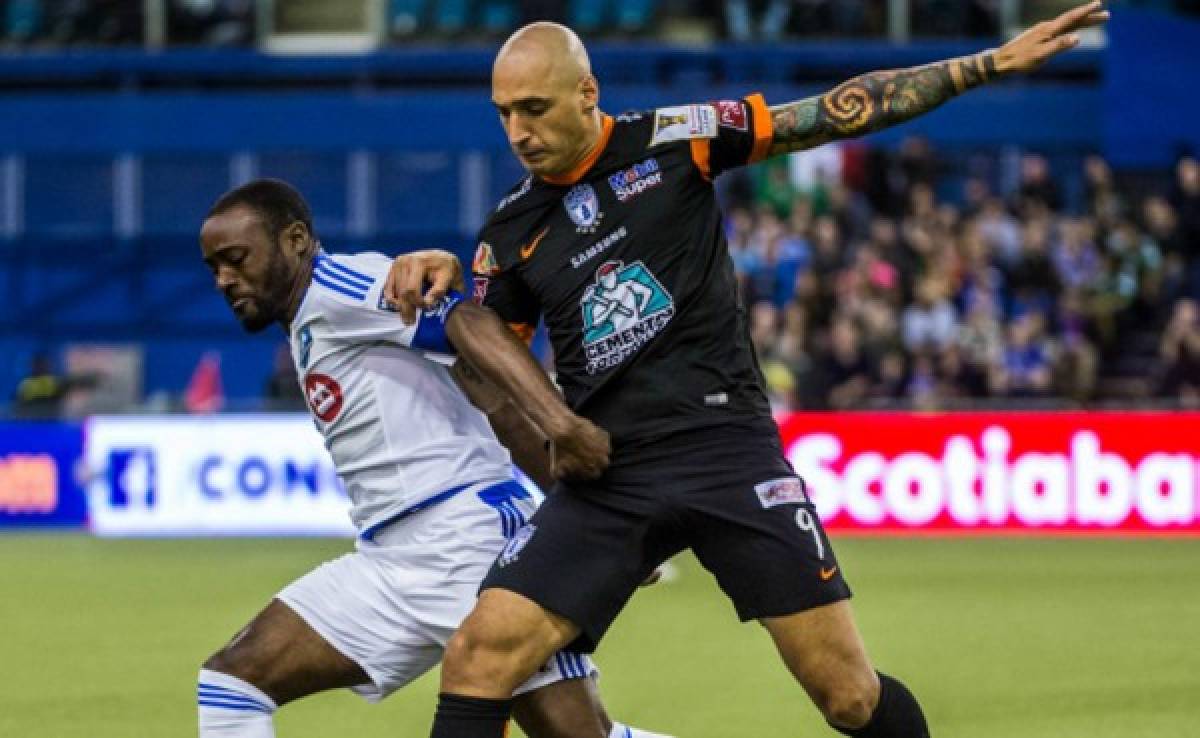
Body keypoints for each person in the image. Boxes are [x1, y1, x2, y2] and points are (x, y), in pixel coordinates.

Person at [387, 5, 1110, 737]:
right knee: (478, 658)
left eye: (534, 108)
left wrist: (980, 65)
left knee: (849, 696)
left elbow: (834, 114)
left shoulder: (678, 140)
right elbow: (490, 367)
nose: (517, 132)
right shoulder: (508, 232)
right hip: (608, 473)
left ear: (587, 93)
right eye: (504, 113)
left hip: (723, 447)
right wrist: (545, 430)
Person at [196, 178, 672, 738]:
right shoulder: (310, 320)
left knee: (577, 734)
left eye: (236, 259)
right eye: (214, 268)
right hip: (389, 559)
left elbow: (470, 325)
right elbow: (488, 397)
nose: (225, 279)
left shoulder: (340, 286)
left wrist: (567, 437)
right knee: (232, 684)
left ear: (295, 239)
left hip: (466, 542)